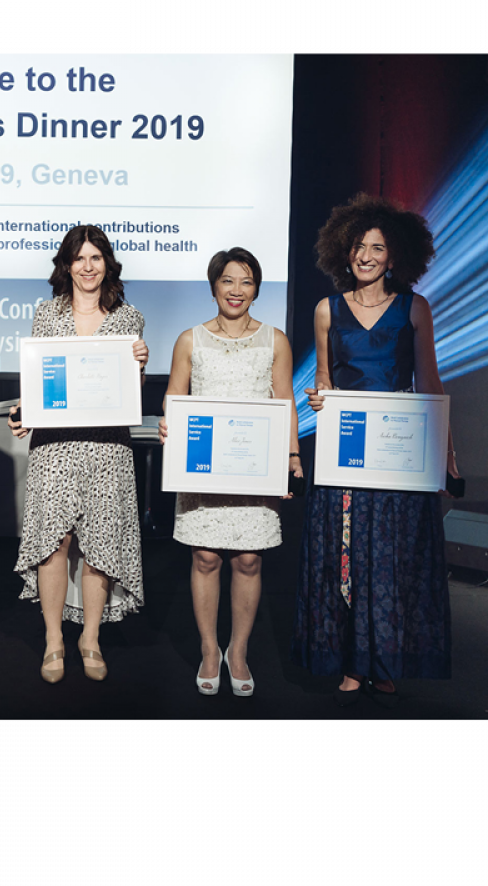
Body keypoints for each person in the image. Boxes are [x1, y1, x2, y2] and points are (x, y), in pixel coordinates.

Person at [292, 193, 456, 706]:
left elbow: (429, 383)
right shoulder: (327, 310)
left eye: (377, 248)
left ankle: (383, 661)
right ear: (344, 251)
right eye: (359, 247)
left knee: (391, 560)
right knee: (346, 558)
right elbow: (323, 382)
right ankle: (349, 661)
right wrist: (318, 398)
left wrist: (447, 451)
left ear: (394, 256)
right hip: (344, 456)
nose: (366, 256)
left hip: (397, 459)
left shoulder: (414, 308)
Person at [160, 248, 302, 697]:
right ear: (213, 286)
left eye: (246, 281)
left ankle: (237, 652)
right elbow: (174, 397)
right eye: (227, 280)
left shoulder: (275, 340)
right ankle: (209, 649)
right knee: (205, 558)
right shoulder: (190, 339)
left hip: (254, 470)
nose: (236, 290)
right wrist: (169, 423)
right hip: (203, 469)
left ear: (256, 289)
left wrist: (291, 458)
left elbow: (286, 402)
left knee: (248, 559)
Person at [9, 225, 148, 683]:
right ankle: (53, 639)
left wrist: (140, 366)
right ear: (66, 265)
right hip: (55, 445)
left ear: (107, 263)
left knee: (100, 544)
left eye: (96, 257)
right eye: (79, 258)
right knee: (54, 541)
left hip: (108, 447)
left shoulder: (129, 319)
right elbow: (38, 383)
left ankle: (90, 637)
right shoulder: (46, 314)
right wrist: (23, 411)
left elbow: (129, 394)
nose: (88, 267)